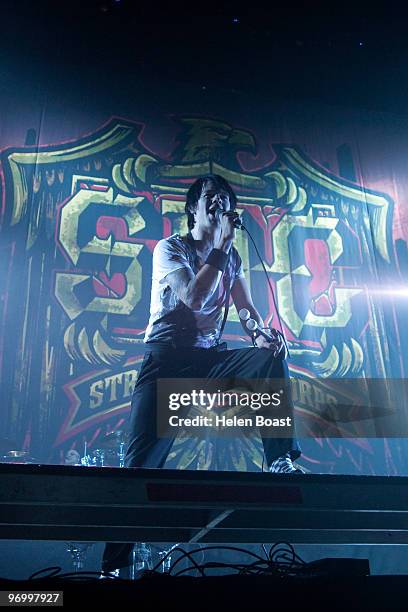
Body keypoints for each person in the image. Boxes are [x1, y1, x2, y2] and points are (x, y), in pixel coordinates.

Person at [101, 174, 301, 574]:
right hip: (167, 363)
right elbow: (193, 297)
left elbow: (245, 310)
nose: (220, 202)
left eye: (225, 197)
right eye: (212, 197)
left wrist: (260, 332)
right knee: (139, 468)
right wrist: (222, 247)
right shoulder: (171, 248)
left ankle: (280, 458)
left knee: (268, 360)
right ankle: (113, 567)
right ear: (194, 207)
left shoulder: (233, 259)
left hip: (208, 361)